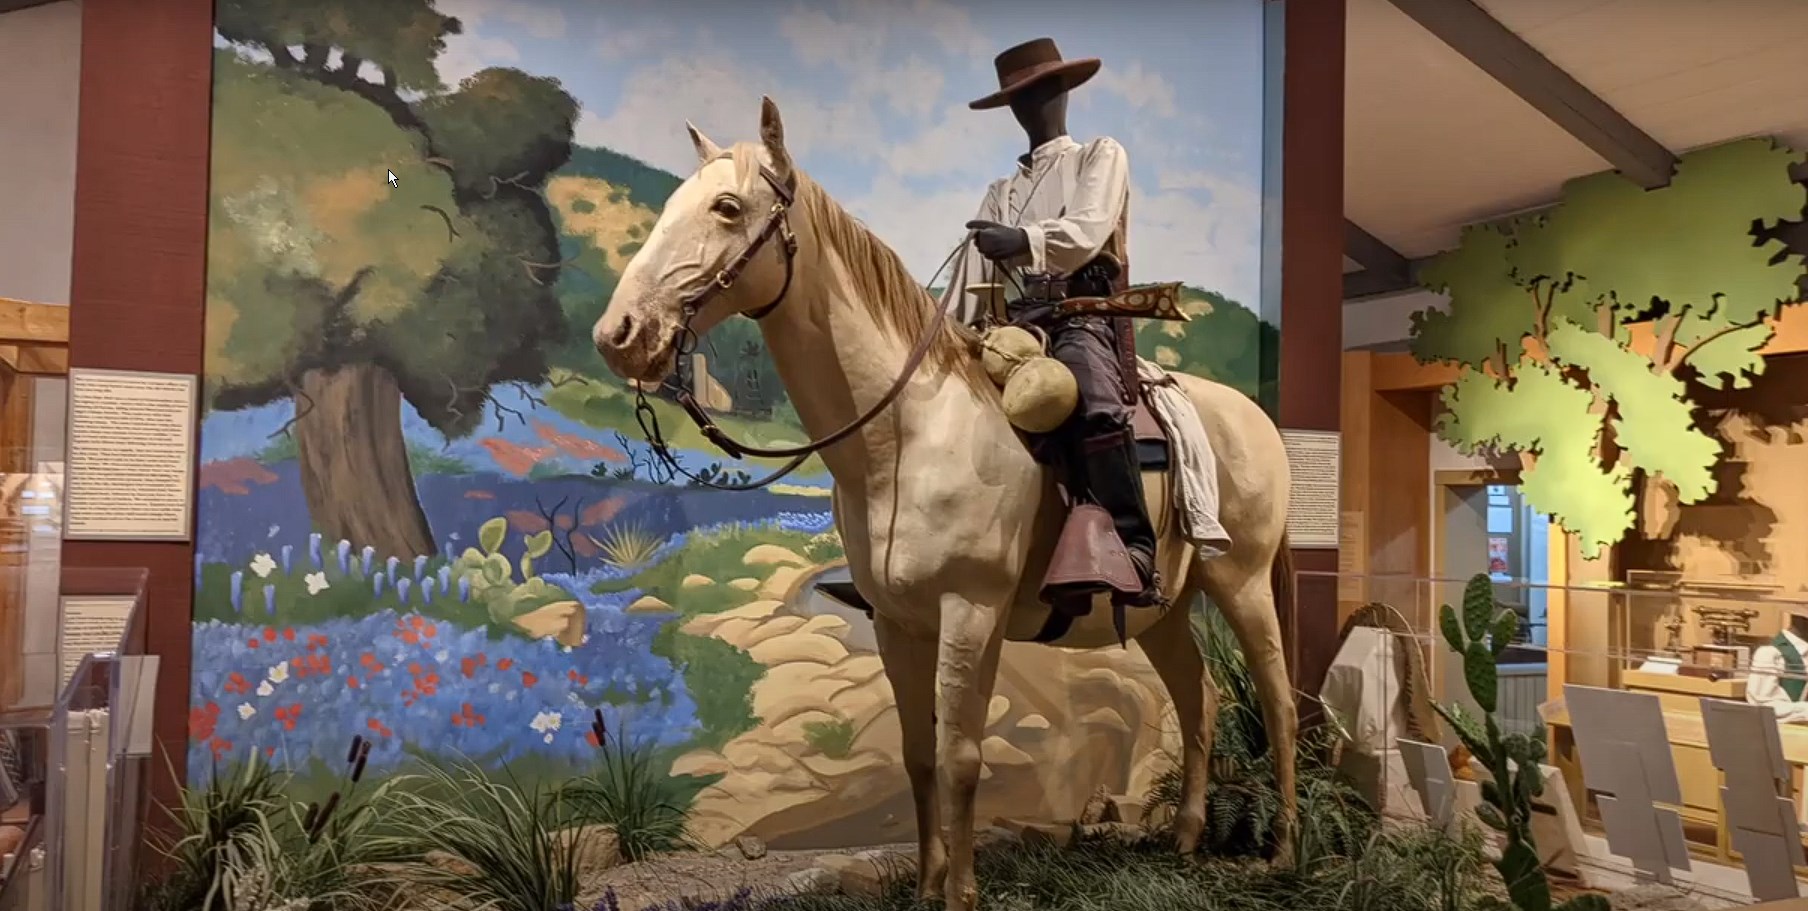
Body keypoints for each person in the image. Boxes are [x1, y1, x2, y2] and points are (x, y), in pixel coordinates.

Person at [947, 37, 1159, 608]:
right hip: (1015, 326)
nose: (1030, 104)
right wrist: (947, 335)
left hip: (1080, 315)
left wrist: (1021, 239)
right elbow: (971, 273)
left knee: (1089, 398)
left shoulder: (1099, 156)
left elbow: (1088, 229)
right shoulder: (1000, 191)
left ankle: (1132, 545)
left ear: (1064, 90)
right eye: (1018, 96)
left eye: (1040, 89)